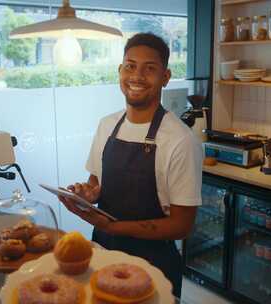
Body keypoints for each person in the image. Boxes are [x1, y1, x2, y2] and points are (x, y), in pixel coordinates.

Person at [59, 32, 202, 297]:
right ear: (120, 71)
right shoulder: (107, 126)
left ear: (166, 77)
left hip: (154, 265)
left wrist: (111, 226)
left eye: (150, 69)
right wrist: (88, 195)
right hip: (102, 254)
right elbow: (96, 182)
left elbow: (182, 225)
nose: (137, 76)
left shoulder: (180, 140)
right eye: (130, 66)